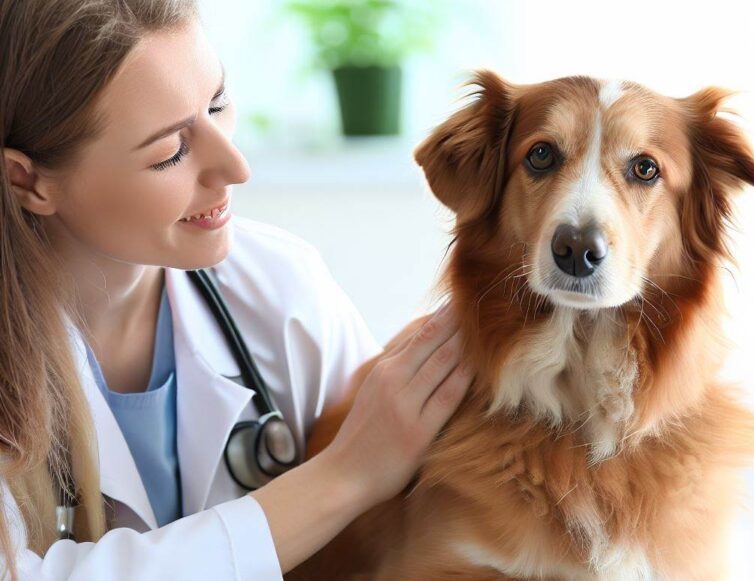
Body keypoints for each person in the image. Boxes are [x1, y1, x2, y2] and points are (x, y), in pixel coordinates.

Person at [0, 1, 474, 579]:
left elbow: (397, 528)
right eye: (169, 151)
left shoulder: (280, 287)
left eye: (218, 104)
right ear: (28, 181)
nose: (236, 165)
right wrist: (345, 477)